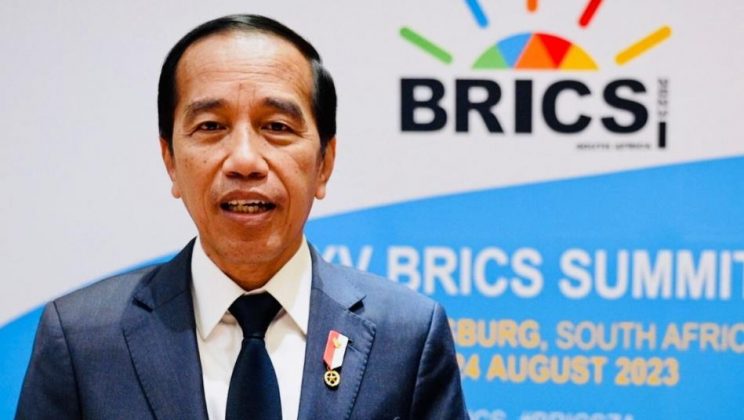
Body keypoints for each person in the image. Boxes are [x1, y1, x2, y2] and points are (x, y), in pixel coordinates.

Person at [16, 14, 467, 420]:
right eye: (211, 127)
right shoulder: (83, 340)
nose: (245, 160)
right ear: (170, 160)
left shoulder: (405, 336)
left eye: (277, 127)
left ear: (324, 163)